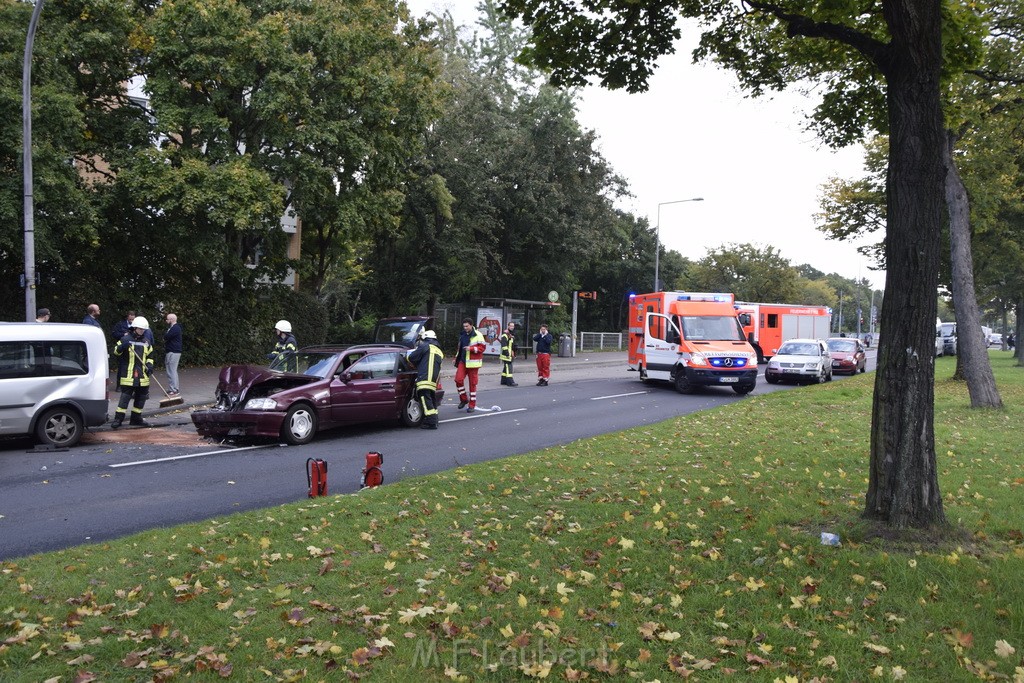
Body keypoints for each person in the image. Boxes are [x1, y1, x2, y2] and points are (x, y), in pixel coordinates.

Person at [111, 316, 154, 428]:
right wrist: (122, 347)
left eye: (143, 330)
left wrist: (149, 365)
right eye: (140, 329)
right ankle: (118, 419)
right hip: (128, 375)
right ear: (134, 328)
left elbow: (150, 356)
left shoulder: (146, 342)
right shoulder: (125, 339)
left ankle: (136, 418)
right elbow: (115, 352)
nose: (142, 331)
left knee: (141, 398)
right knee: (125, 398)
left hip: (143, 376)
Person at [408, 329, 444, 429]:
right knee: (431, 399)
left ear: (426, 338)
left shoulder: (425, 346)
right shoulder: (439, 351)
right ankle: (434, 419)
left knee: (424, 399)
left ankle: (431, 422)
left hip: (424, 378)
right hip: (433, 380)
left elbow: (411, 357)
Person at [453, 318, 486, 413]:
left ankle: (472, 404)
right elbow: (460, 348)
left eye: (467, 326)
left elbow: (482, 348)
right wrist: (456, 358)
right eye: (464, 326)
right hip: (463, 361)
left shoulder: (478, 335)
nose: (465, 328)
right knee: (458, 379)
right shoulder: (462, 334)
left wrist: (471, 348)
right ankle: (464, 399)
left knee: (472, 384)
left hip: (473, 363)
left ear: (471, 325)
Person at [164, 313, 182, 396]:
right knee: (172, 370)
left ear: (171, 319)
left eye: (167, 319)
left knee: (172, 370)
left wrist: (165, 335)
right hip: (173, 351)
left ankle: (174, 389)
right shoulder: (173, 328)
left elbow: (167, 336)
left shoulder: (175, 328)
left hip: (173, 351)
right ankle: (173, 388)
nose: (166, 321)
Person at [499, 321, 519, 386]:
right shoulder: (505, 334)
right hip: (506, 355)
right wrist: (507, 354)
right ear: (508, 326)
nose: (512, 327)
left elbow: (512, 345)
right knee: (509, 367)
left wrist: (515, 351)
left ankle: (503, 381)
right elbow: (504, 345)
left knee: (506, 367)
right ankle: (510, 382)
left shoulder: (511, 334)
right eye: (511, 326)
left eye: (513, 326)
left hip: (509, 354)